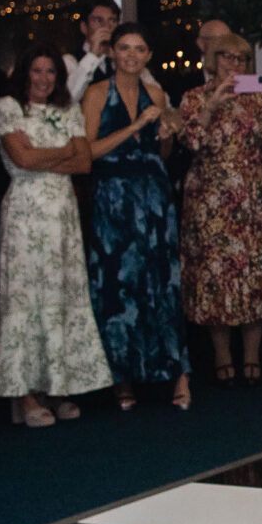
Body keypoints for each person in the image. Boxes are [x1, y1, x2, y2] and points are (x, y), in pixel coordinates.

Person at [0, 49, 110, 426]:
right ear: (24, 73)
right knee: (25, 302)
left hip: (63, 219)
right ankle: (23, 395)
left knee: (61, 298)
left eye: (51, 71)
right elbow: (21, 160)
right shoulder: (8, 106)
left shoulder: (68, 109)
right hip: (25, 216)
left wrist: (42, 153)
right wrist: (61, 153)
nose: (43, 78)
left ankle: (58, 386)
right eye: (36, 70)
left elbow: (83, 162)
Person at [82, 23, 192, 410]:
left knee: (162, 284)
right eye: (124, 48)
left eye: (139, 48)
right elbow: (88, 153)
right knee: (115, 287)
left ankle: (177, 373)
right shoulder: (96, 93)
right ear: (112, 52)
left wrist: (164, 136)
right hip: (113, 200)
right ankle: (121, 378)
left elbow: (161, 155)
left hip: (154, 199)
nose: (131, 55)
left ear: (148, 55)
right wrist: (135, 126)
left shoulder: (157, 93)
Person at [176, 31, 262, 387]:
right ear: (213, 59)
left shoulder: (256, 98)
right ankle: (223, 356)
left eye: (241, 59)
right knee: (218, 280)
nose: (234, 64)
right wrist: (212, 105)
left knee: (253, 277)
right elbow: (191, 142)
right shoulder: (194, 97)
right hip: (211, 204)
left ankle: (253, 356)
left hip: (252, 202)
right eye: (226, 57)